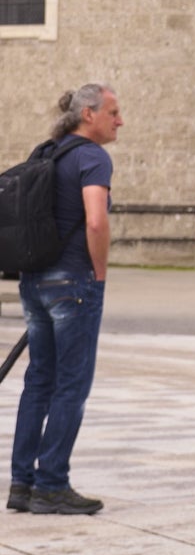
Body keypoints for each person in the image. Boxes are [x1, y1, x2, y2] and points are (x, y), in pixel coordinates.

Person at [7, 85, 120, 516]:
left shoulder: (47, 152)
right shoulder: (92, 157)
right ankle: (52, 484)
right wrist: (100, 272)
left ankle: (22, 484)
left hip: (34, 281)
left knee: (39, 381)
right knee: (71, 384)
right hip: (74, 283)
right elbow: (96, 219)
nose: (119, 121)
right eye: (113, 112)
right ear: (87, 114)